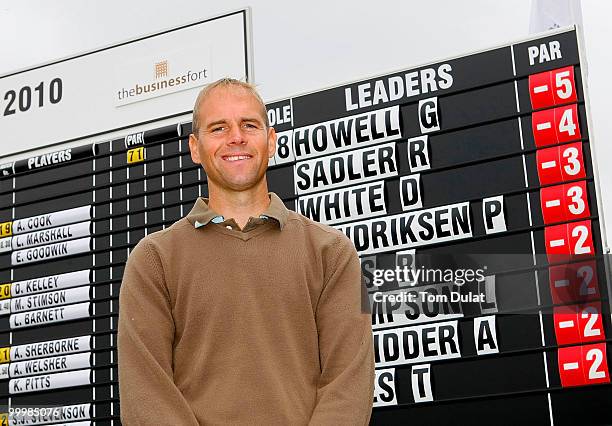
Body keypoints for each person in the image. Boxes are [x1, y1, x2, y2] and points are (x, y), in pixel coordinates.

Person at [117, 77, 374, 425]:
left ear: (271, 141)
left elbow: (349, 384)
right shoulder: (154, 260)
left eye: (249, 125)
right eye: (218, 127)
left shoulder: (332, 253)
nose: (235, 137)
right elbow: (147, 395)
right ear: (195, 147)